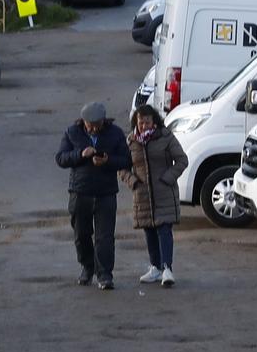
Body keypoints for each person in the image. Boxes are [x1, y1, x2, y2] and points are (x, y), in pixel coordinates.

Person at [56, 101, 128, 289]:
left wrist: (108, 161)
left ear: (104, 121)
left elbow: (126, 160)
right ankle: (87, 267)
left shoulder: (116, 133)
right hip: (80, 191)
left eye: (97, 125)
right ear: (84, 122)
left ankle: (105, 275)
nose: (94, 129)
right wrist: (80, 154)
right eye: (90, 125)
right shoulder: (72, 132)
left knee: (105, 236)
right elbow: (61, 159)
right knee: (81, 234)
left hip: (106, 193)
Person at [120, 104, 189, 287]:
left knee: (164, 229)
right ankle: (155, 268)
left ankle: (167, 269)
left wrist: (168, 178)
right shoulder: (131, 141)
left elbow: (182, 160)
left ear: (154, 121)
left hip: (163, 191)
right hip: (142, 194)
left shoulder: (165, 137)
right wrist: (132, 181)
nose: (143, 126)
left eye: (147, 122)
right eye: (140, 122)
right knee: (149, 230)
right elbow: (122, 167)